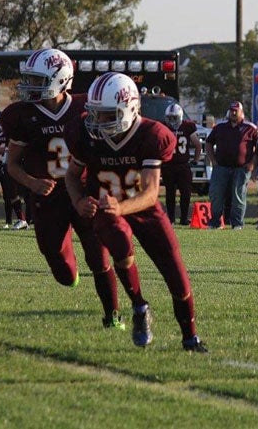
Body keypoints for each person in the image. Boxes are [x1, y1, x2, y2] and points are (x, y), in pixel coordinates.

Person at [64, 72, 207, 352]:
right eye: (95, 114)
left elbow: (151, 193)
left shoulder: (152, 135)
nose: (98, 122)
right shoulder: (84, 133)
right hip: (107, 210)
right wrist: (79, 200)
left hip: (143, 207)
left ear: (129, 109)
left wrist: (121, 206)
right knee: (115, 233)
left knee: (177, 278)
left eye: (107, 115)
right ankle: (139, 305)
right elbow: (71, 176)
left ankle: (191, 338)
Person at [1, 48, 123, 329]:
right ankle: (70, 272)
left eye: (37, 80)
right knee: (62, 270)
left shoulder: (85, 107)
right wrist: (33, 182)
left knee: (99, 257)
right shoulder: (22, 115)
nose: (29, 86)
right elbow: (12, 165)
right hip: (48, 198)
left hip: (84, 193)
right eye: (29, 79)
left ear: (60, 79)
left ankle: (112, 314)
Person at [205, 101, 258, 229]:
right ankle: (215, 222)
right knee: (216, 195)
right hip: (221, 167)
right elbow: (208, 143)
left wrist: (252, 163)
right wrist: (213, 160)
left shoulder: (250, 128)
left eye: (236, 110)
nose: (233, 113)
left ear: (242, 112)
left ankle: (237, 223)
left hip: (241, 168)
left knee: (238, 196)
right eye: (231, 110)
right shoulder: (220, 127)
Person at [161, 103, 201, 225]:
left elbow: (198, 145)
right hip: (168, 165)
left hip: (182, 165)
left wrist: (195, 160)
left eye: (175, 117)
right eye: (170, 117)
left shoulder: (188, 126)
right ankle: (171, 218)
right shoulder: (163, 127)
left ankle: (183, 218)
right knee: (170, 193)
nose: (172, 120)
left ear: (180, 116)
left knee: (186, 193)